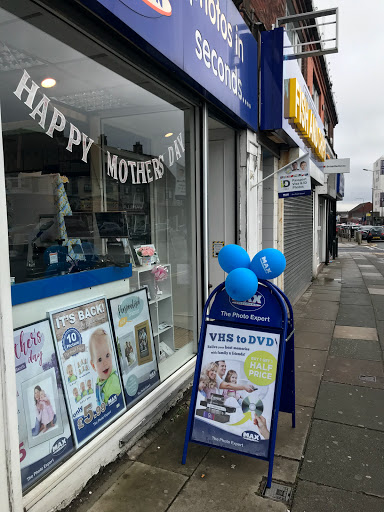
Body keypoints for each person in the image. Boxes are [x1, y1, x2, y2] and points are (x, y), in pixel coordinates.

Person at [89, 328, 121, 405]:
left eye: (107, 355)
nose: (105, 363)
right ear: (93, 365)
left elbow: (117, 403)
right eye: (99, 360)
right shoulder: (99, 379)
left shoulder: (113, 381)